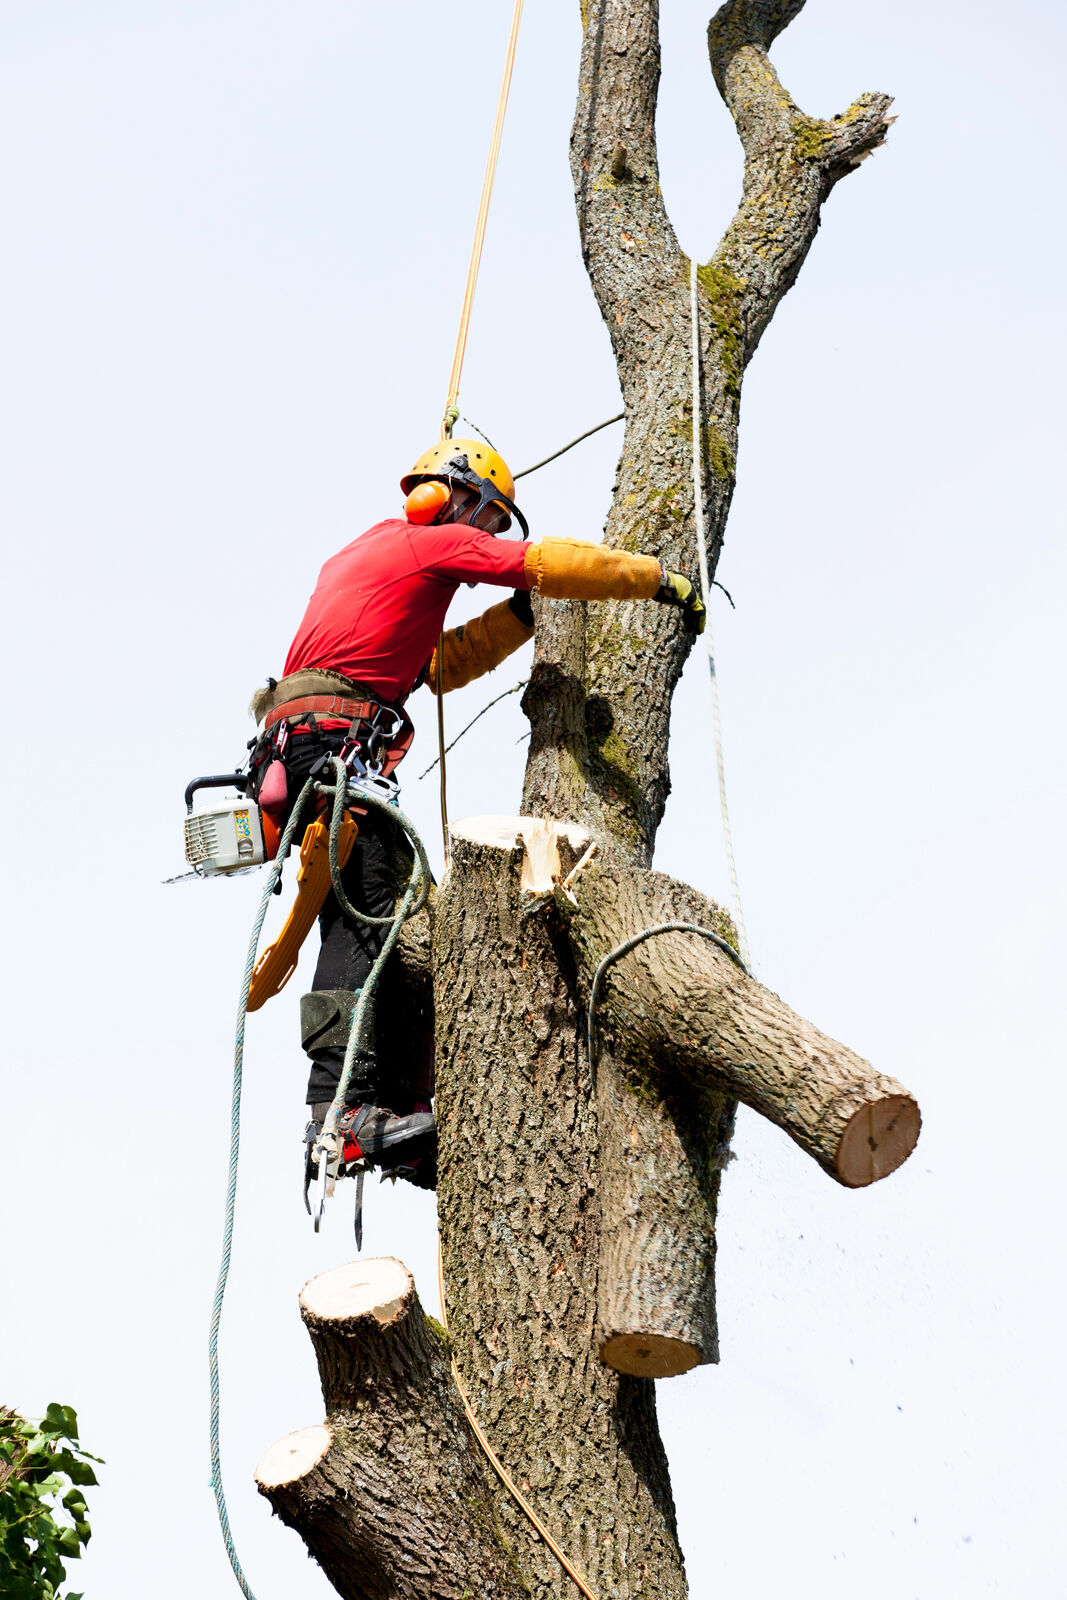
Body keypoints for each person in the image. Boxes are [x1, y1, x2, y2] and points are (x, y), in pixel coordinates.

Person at [248, 438, 705, 1189]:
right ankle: (341, 1111)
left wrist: (522, 618)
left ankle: (391, 1108)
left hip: (303, 749)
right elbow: (544, 560)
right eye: (486, 519)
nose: (486, 537)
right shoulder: (431, 541)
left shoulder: (367, 554)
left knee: (384, 922)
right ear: (452, 495)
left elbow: (436, 667)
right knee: (365, 923)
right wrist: (655, 580)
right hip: (331, 750)